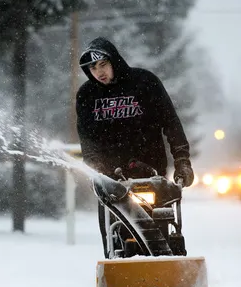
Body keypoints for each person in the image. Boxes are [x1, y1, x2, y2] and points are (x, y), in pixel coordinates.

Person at [75, 36, 195, 256]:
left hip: (151, 173)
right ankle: (117, 270)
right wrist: (97, 171)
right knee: (116, 233)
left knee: (159, 228)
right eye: (93, 68)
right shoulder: (87, 95)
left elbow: (171, 124)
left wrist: (182, 160)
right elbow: (88, 140)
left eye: (103, 64)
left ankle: (167, 266)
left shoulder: (145, 82)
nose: (99, 72)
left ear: (114, 61)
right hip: (112, 179)